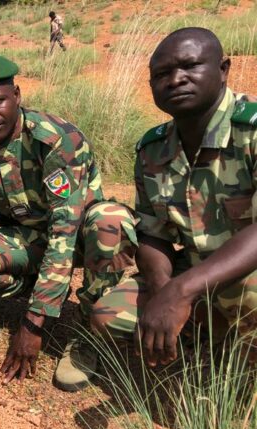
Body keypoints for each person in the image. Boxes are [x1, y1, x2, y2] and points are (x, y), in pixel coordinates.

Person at [0, 54, 136, 390]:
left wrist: (33, 323)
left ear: (17, 96)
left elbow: (64, 234)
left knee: (112, 220)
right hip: (31, 239)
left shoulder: (55, 142)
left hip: (81, 237)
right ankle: (51, 291)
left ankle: (89, 330)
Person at [92, 28, 257, 367]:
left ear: (223, 70)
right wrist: (162, 289)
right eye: (161, 74)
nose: (176, 80)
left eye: (190, 66)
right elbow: (153, 233)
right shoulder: (152, 149)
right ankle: (201, 338)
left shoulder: (251, 132)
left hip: (248, 273)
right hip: (194, 272)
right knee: (108, 315)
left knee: (250, 296)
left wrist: (182, 291)